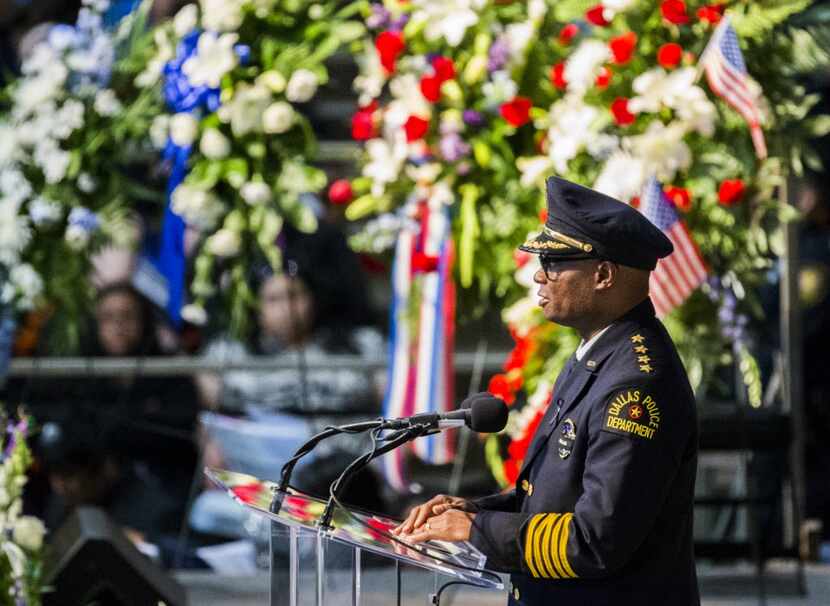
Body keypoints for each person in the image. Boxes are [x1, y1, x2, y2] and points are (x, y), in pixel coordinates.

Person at [394, 177, 699, 606]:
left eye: (554, 262)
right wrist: (476, 512)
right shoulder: (598, 355)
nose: (539, 273)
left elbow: (595, 540)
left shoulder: (634, 384)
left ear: (604, 275)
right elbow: (555, 496)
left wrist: (477, 532)